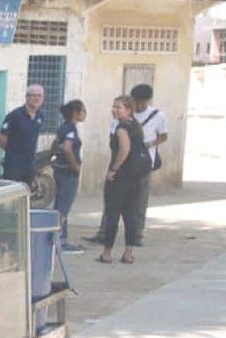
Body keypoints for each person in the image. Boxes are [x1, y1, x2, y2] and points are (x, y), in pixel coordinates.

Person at [97, 95, 150, 265]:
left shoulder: (121, 128)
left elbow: (124, 150)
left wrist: (113, 170)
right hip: (135, 177)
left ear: (128, 109)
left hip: (120, 177)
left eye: (119, 107)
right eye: (114, 107)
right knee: (130, 215)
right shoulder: (135, 125)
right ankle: (128, 253)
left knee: (112, 214)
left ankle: (107, 253)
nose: (115, 110)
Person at [128, 83, 168, 246]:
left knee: (140, 200)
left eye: (144, 102)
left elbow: (164, 136)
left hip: (145, 163)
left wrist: (151, 143)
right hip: (126, 161)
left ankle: (137, 233)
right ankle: (105, 231)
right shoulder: (126, 113)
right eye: (138, 102)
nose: (141, 105)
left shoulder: (158, 115)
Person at [51, 100, 87, 253]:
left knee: (59, 206)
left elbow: (54, 146)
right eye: (83, 111)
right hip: (68, 173)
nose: (85, 114)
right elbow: (67, 148)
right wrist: (74, 165)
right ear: (76, 113)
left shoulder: (62, 127)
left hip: (59, 170)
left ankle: (59, 238)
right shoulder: (71, 129)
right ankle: (60, 241)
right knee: (63, 208)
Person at [0, 84, 45, 183]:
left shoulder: (40, 116)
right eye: (34, 95)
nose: (37, 98)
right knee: (13, 195)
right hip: (14, 166)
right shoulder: (14, 115)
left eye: (40, 96)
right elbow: (2, 139)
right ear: (27, 97)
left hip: (30, 165)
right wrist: (13, 151)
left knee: (26, 195)